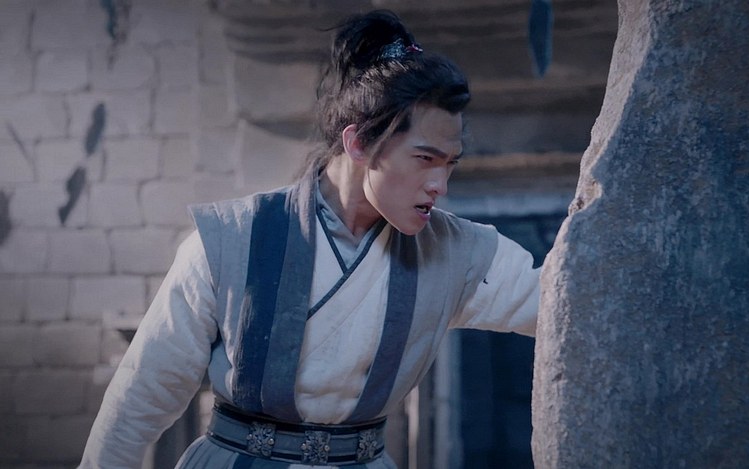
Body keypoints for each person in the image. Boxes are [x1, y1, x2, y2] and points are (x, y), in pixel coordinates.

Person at [80, 10, 540, 468]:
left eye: (450, 164)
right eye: (425, 159)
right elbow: (141, 396)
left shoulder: (454, 251)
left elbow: (555, 302)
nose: (440, 185)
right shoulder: (232, 239)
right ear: (358, 144)